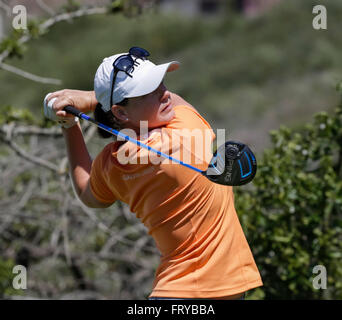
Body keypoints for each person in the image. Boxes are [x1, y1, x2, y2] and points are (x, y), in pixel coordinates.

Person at [44, 47, 263, 300]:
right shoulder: (184, 134)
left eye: (160, 84)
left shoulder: (111, 164)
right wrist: (88, 98)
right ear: (120, 112)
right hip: (204, 293)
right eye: (149, 92)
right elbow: (179, 100)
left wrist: (69, 124)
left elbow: (86, 191)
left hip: (175, 291)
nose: (165, 93)